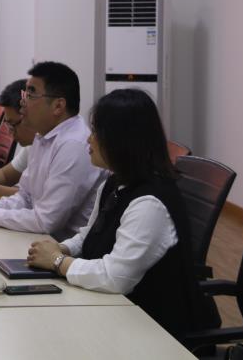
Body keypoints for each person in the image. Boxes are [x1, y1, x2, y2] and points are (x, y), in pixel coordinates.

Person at [26, 88, 218, 339]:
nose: (88, 140)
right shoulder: (116, 182)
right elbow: (89, 235)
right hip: (118, 313)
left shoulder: (150, 202)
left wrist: (57, 262)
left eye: (96, 132)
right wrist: (61, 248)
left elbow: (115, 277)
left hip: (157, 333)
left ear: (121, 139)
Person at [0, 61, 104, 240]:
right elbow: (26, 198)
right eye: (25, 93)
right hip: (38, 239)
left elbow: (47, 221)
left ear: (58, 106)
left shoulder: (73, 145)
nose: (23, 102)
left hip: (65, 248)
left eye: (31, 94)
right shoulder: (43, 137)